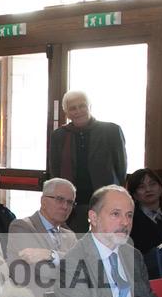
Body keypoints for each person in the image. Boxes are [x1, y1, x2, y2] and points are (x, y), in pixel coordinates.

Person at [46, 91, 128, 232]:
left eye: (82, 106)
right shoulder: (59, 135)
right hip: (73, 203)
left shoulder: (111, 131)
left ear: (89, 106)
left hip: (104, 200)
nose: (78, 111)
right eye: (72, 108)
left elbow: (121, 168)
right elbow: (55, 171)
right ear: (66, 112)